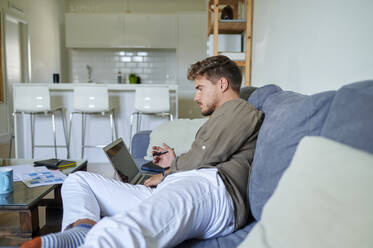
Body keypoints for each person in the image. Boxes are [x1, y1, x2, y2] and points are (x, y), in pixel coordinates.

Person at [22, 55, 264, 248]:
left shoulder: (240, 109)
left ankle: (93, 240)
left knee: (129, 229)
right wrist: (174, 164)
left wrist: (168, 172)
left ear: (222, 83)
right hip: (184, 183)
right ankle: (82, 231)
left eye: (200, 88)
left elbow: (206, 154)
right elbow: (207, 153)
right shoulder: (220, 117)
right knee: (77, 181)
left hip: (213, 191)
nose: (196, 97)